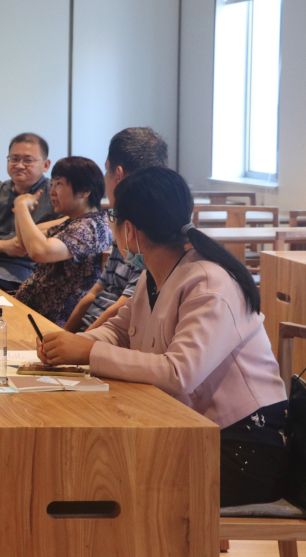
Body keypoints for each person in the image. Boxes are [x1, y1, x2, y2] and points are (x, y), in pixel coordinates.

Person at [38, 167, 289, 508]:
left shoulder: (209, 282)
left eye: (113, 217)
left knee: (107, 480)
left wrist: (87, 352)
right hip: (191, 429)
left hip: (242, 446)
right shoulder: (154, 274)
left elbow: (179, 373)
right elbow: (120, 330)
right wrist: (74, 345)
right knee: (93, 466)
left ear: (130, 230)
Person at [63, 127, 169, 333]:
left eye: (106, 169)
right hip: (93, 331)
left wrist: (79, 341)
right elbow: (94, 292)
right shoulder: (125, 222)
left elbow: (122, 309)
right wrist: (65, 334)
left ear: (118, 174)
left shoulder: (150, 237)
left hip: (111, 336)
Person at [12, 156, 112, 327]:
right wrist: (20, 210)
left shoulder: (90, 227)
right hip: (33, 314)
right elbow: (24, 244)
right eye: (52, 184)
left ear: (84, 191)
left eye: (59, 184)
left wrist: (21, 207)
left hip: (52, 324)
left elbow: (39, 252)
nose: (52, 191)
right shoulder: (76, 220)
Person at [0, 133, 59, 292]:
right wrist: (5, 246)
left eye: (28, 160)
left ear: (46, 165)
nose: (19, 165)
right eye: (14, 159)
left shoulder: (55, 194)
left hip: (28, 273)